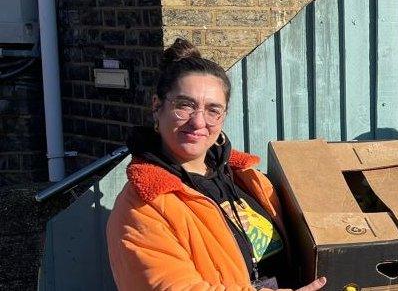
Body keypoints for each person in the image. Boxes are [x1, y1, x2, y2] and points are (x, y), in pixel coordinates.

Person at [106, 38, 327, 291]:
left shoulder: (249, 180)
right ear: (157, 106)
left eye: (213, 110)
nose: (199, 122)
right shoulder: (140, 207)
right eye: (185, 106)